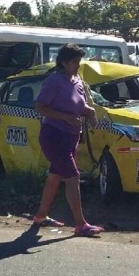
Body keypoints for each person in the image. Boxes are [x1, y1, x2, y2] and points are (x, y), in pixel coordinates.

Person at [32, 43, 103, 237]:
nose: (78, 65)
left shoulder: (77, 80)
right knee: (73, 178)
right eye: (74, 62)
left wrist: (90, 113)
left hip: (71, 137)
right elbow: (40, 106)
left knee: (55, 178)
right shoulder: (54, 81)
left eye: (79, 61)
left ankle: (40, 216)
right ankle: (81, 224)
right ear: (63, 62)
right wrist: (64, 117)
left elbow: (79, 106)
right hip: (54, 136)